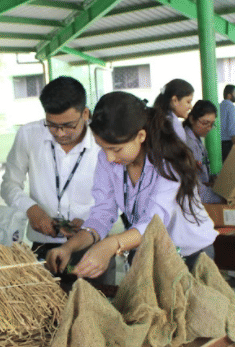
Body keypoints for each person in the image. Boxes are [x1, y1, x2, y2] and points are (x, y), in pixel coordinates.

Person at [46, 92, 217, 278]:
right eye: (103, 147)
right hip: (148, 251)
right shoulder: (107, 159)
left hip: (190, 255)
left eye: (116, 149)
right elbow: (102, 214)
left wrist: (111, 244)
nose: (109, 157)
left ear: (140, 136)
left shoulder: (169, 162)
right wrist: (69, 247)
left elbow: (154, 223)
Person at [1, 76, 102, 265]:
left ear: (85, 114)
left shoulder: (102, 142)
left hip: (92, 244)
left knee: (95, 294)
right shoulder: (29, 135)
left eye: (69, 125)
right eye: (53, 125)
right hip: (42, 243)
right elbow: (9, 184)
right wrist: (31, 209)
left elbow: (117, 194)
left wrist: (91, 219)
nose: (60, 133)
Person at [183, 100, 223, 204]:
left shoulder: (196, 139)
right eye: (205, 123)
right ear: (192, 119)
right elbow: (194, 186)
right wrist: (221, 198)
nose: (209, 128)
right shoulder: (188, 143)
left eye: (212, 124)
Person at [219, 84, 235, 161]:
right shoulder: (231, 107)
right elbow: (232, 130)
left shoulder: (219, 106)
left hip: (219, 144)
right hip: (228, 144)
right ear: (229, 95)